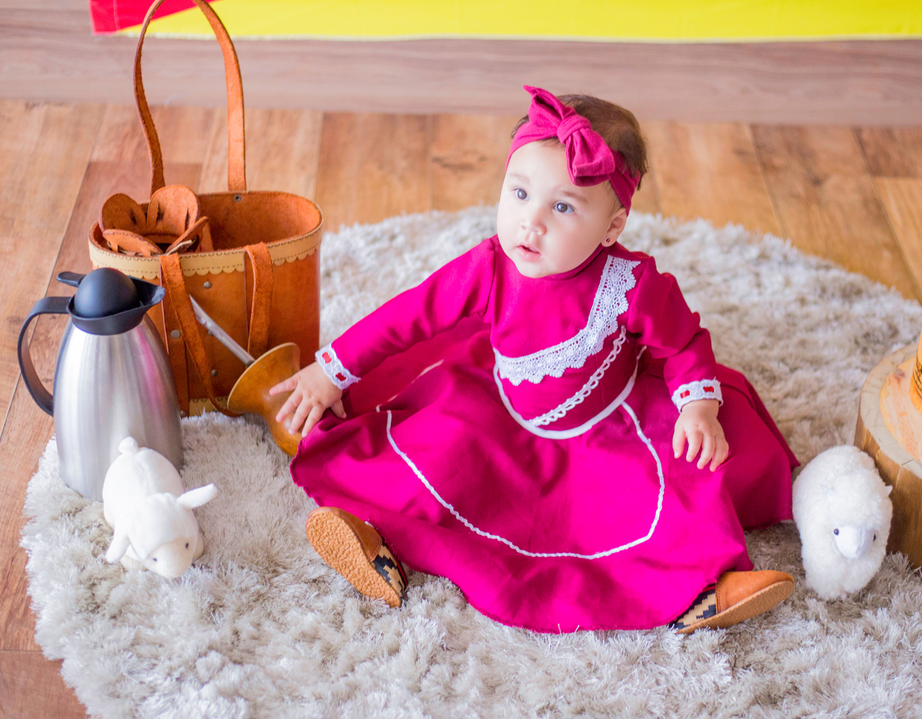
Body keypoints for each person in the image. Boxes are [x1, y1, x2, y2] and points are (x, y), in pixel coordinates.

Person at [271, 86, 800, 634]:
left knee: (688, 476)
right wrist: (330, 372)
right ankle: (375, 543)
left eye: (563, 206)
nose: (531, 223)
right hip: (502, 411)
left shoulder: (631, 285)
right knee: (439, 458)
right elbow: (404, 318)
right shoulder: (488, 269)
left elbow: (684, 342)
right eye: (519, 194)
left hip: (607, 424)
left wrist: (698, 409)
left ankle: (706, 587)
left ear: (612, 228)